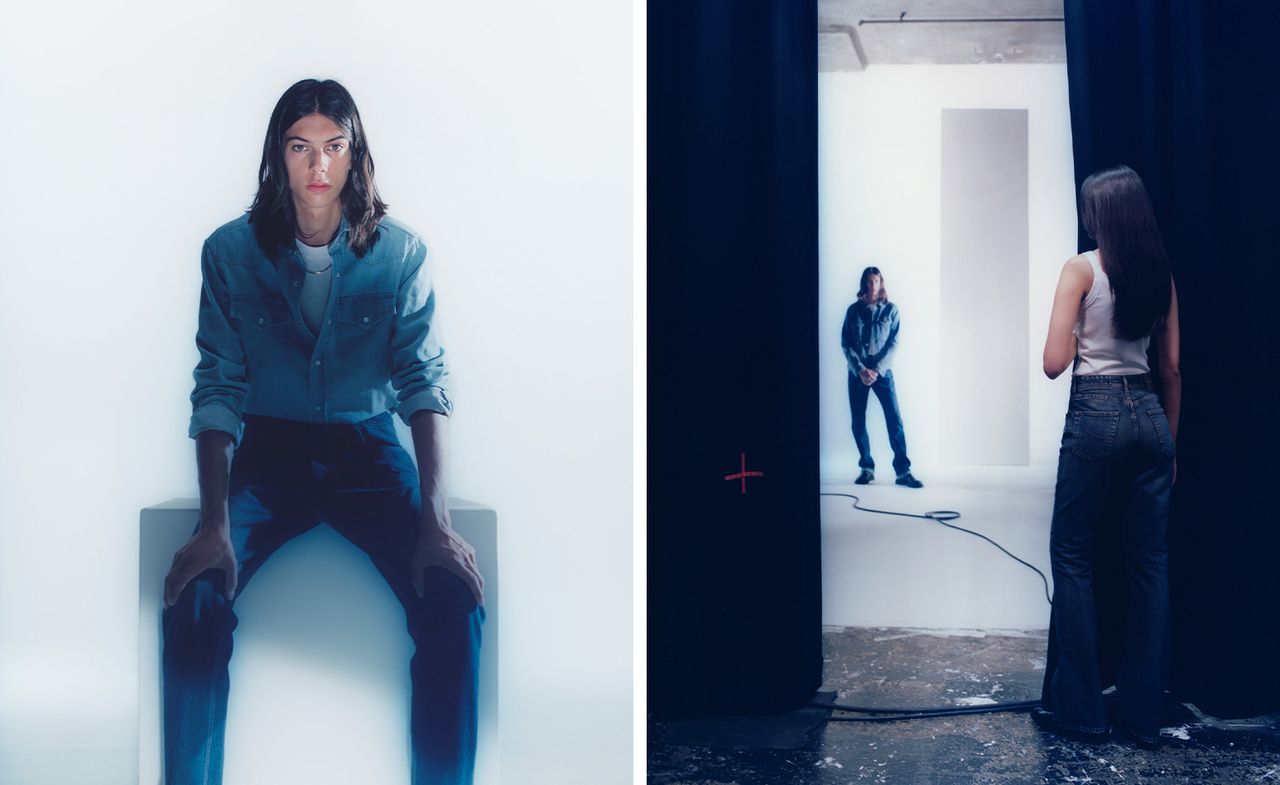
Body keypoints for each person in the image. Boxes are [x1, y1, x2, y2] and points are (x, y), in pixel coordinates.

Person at [161, 78, 486, 785]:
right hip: (269, 452)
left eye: (333, 147)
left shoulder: (401, 254)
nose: (317, 165)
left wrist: (435, 522)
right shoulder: (228, 252)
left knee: (454, 600)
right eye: (300, 147)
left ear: (354, 155)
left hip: (367, 450)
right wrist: (214, 523)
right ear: (278, 156)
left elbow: (423, 381)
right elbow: (217, 383)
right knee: (195, 598)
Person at [1035, 164, 1181, 748]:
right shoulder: (1161, 273)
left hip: (1096, 414)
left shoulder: (1081, 268)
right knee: (1149, 564)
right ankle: (1143, 716)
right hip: (1150, 415)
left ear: (1099, 214)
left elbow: (1052, 362)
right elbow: (1170, 368)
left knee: (1073, 557)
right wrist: (1170, 445)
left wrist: (1074, 335)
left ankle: (1082, 714)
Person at [840, 267, 923, 488]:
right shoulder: (853, 311)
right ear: (863, 284)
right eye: (868, 282)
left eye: (875, 281)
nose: (872, 285)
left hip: (883, 373)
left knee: (894, 419)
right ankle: (866, 468)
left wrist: (875, 369)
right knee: (858, 420)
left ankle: (903, 472)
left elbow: (894, 343)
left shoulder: (891, 311)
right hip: (857, 374)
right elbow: (846, 344)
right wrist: (860, 369)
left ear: (881, 283)